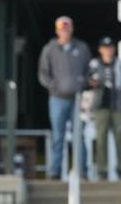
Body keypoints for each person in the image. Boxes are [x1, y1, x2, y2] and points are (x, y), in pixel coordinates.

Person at [37, 16, 91, 179]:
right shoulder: (49, 49)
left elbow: (88, 70)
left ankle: (82, 171)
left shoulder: (81, 48)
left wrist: (82, 84)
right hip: (57, 99)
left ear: (72, 29)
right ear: (57, 30)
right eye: (61, 29)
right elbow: (43, 74)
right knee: (58, 136)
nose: (64, 32)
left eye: (67, 29)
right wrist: (54, 86)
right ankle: (55, 172)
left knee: (79, 136)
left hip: (76, 99)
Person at [85, 37, 121, 181]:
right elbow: (86, 82)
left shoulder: (120, 64)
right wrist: (91, 83)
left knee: (120, 138)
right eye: (105, 47)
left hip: (118, 106)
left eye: (110, 47)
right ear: (100, 49)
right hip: (100, 106)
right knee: (101, 139)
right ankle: (102, 170)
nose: (108, 50)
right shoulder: (94, 64)